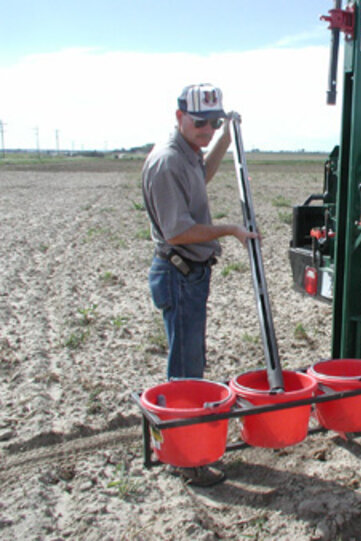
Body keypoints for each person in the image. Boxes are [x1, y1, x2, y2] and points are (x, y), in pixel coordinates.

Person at [142, 83, 256, 486]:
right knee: (186, 369)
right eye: (201, 123)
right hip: (179, 274)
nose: (207, 130)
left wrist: (225, 139)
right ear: (179, 118)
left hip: (190, 274)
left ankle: (185, 446)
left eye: (215, 122)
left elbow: (203, 175)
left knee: (191, 361)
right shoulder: (168, 162)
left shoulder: (189, 154)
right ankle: (186, 458)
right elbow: (177, 232)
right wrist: (230, 230)